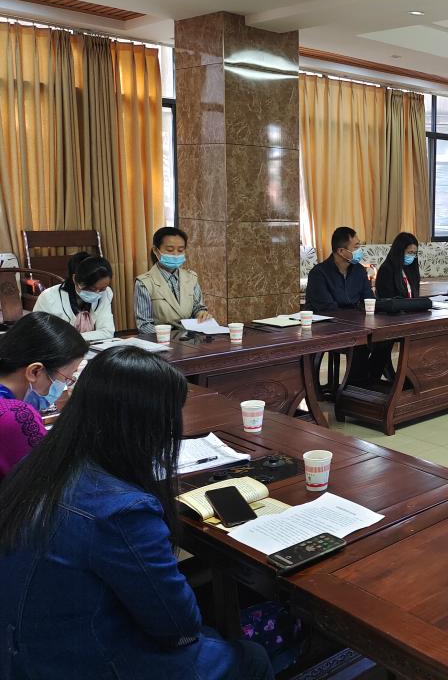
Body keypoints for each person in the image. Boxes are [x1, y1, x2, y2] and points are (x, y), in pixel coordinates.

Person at [0, 346, 274, 679]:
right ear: (148, 424)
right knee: (251, 657)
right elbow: (179, 628)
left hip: (23, 652)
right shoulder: (121, 511)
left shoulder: (39, 463)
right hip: (85, 662)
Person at [0, 313, 88, 479]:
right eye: (66, 378)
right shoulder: (15, 415)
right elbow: (51, 477)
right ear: (35, 371)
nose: (65, 385)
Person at [135, 226, 212, 334]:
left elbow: (198, 307)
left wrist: (201, 314)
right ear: (156, 250)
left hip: (190, 338)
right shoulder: (144, 282)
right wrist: (170, 336)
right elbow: (144, 325)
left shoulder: (191, 278)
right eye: (170, 250)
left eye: (180, 250)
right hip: (162, 340)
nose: (176, 254)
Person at [34, 252, 115, 341]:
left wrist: (71, 338)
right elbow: (42, 336)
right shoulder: (49, 298)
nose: (97, 293)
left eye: (102, 288)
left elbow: (107, 332)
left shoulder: (106, 293)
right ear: (75, 279)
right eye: (91, 289)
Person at [305, 226, 374, 311]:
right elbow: (327, 308)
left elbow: (369, 300)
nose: (360, 250)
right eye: (356, 247)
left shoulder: (359, 270)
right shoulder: (318, 273)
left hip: (355, 318)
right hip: (329, 318)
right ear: (341, 251)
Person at [375, 232, 421, 299]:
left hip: (411, 305)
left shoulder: (411, 268)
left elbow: (415, 295)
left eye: (414, 253)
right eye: (410, 252)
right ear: (399, 251)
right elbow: (387, 298)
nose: (412, 256)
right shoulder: (386, 270)